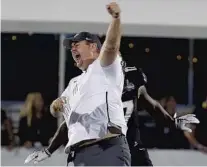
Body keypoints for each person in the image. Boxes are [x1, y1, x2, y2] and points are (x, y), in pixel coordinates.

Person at [25, 2, 131, 166]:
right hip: (77, 155)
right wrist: (55, 107)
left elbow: (111, 46)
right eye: (71, 47)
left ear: (93, 47)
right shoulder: (74, 83)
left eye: (77, 45)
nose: (73, 49)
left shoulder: (105, 67)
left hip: (107, 148)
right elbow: (66, 121)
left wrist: (116, 18)